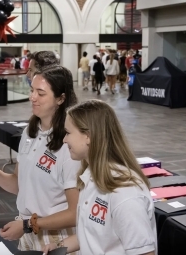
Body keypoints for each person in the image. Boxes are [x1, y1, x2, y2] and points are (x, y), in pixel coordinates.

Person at [0, 65, 80, 253]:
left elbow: (75, 213)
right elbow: (18, 185)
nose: (32, 97)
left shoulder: (69, 145)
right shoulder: (30, 133)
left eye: (41, 93)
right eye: (31, 90)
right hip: (29, 229)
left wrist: (28, 224)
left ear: (61, 98)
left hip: (55, 237)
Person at [43, 99, 157, 255]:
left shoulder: (126, 194)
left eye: (68, 133)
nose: (64, 140)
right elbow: (93, 234)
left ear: (88, 136)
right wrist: (60, 246)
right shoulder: (89, 178)